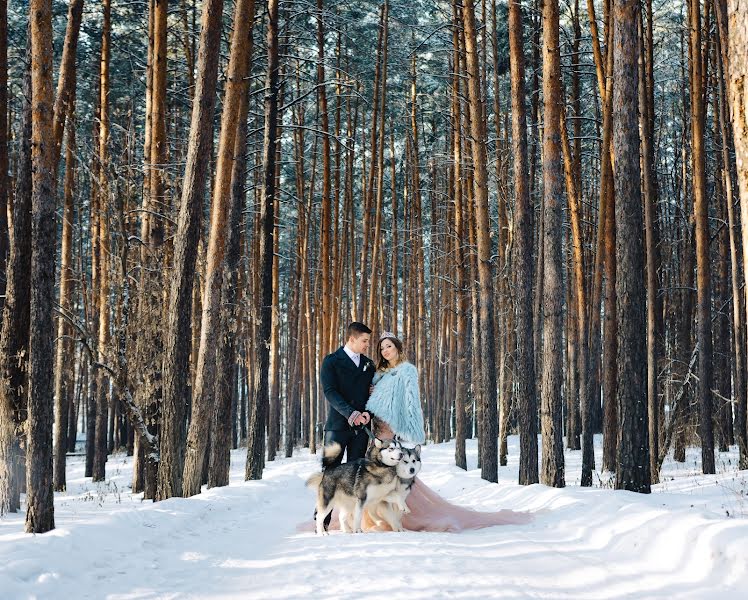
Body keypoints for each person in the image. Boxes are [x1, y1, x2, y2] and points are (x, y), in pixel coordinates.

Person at [363, 331, 532, 532]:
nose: (385, 351)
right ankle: (375, 516)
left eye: (389, 346)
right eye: (382, 348)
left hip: (389, 426)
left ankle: (401, 517)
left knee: (389, 472)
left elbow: (410, 400)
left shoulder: (406, 370)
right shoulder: (379, 373)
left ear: (398, 347)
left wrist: (409, 426)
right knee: (376, 473)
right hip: (375, 425)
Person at [319, 321, 377, 468]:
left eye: (368, 341)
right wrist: (351, 414)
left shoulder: (369, 364)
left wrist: (368, 414)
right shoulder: (331, 361)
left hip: (362, 429)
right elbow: (330, 391)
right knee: (330, 475)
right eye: (364, 341)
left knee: (356, 475)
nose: (367, 344)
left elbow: (374, 395)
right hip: (337, 427)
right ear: (352, 339)